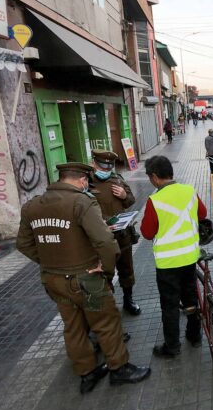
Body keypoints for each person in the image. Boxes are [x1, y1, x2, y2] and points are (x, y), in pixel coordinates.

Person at [16, 162, 150, 394]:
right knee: (106, 323)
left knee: (73, 327)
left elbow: (23, 244)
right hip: (86, 280)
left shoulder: (32, 206)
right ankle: (119, 368)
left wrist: (51, 263)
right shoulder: (81, 202)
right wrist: (105, 270)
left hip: (54, 280)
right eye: (86, 182)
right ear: (82, 180)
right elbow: (105, 242)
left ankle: (86, 373)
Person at [140, 156, 206, 357]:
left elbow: (147, 232)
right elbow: (202, 214)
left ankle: (172, 347)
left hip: (168, 264)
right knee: (191, 299)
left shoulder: (155, 200)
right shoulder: (189, 191)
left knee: (169, 306)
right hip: (189, 258)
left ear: (154, 177)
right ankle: (194, 336)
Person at [89, 150, 140, 316]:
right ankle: (109, 307)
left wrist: (125, 195)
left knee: (126, 269)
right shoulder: (87, 182)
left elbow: (131, 200)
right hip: (100, 239)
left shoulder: (117, 179)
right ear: (94, 163)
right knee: (104, 273)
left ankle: (128, 300)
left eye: (109, 166)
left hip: (122, 235)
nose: (106, 170)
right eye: (103, 166)